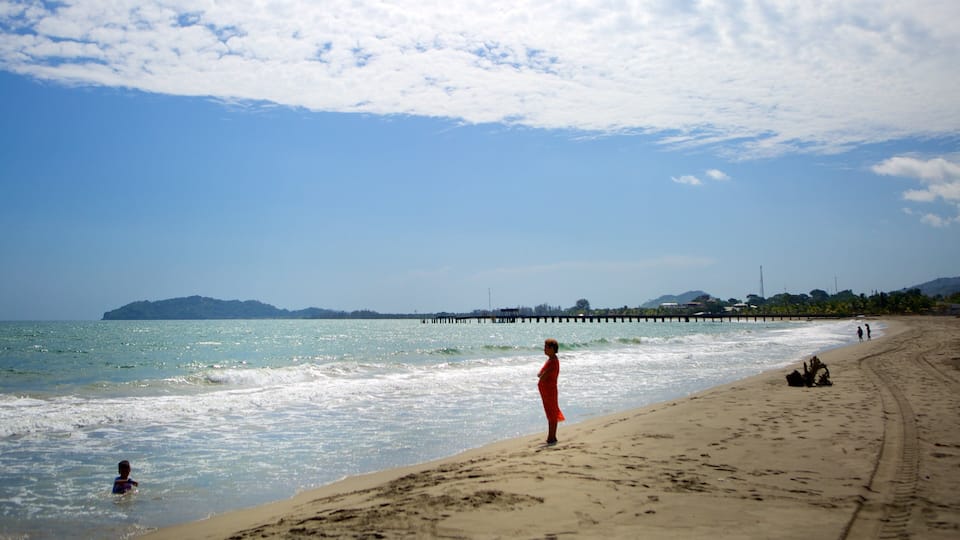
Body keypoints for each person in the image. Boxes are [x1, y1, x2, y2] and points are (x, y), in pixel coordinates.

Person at [538, 338, 565, 445]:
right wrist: (541, 375)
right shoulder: (551, 360)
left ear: (552, 349)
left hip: (550, 390)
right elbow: (540, 374)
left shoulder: (553, 362)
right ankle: (551, 436)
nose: (544, 349)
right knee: (550, 413)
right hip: (548, 390)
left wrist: (541, 375)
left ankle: (552, 437)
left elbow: (542, 376)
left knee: (552, 414)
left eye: (546, 347)